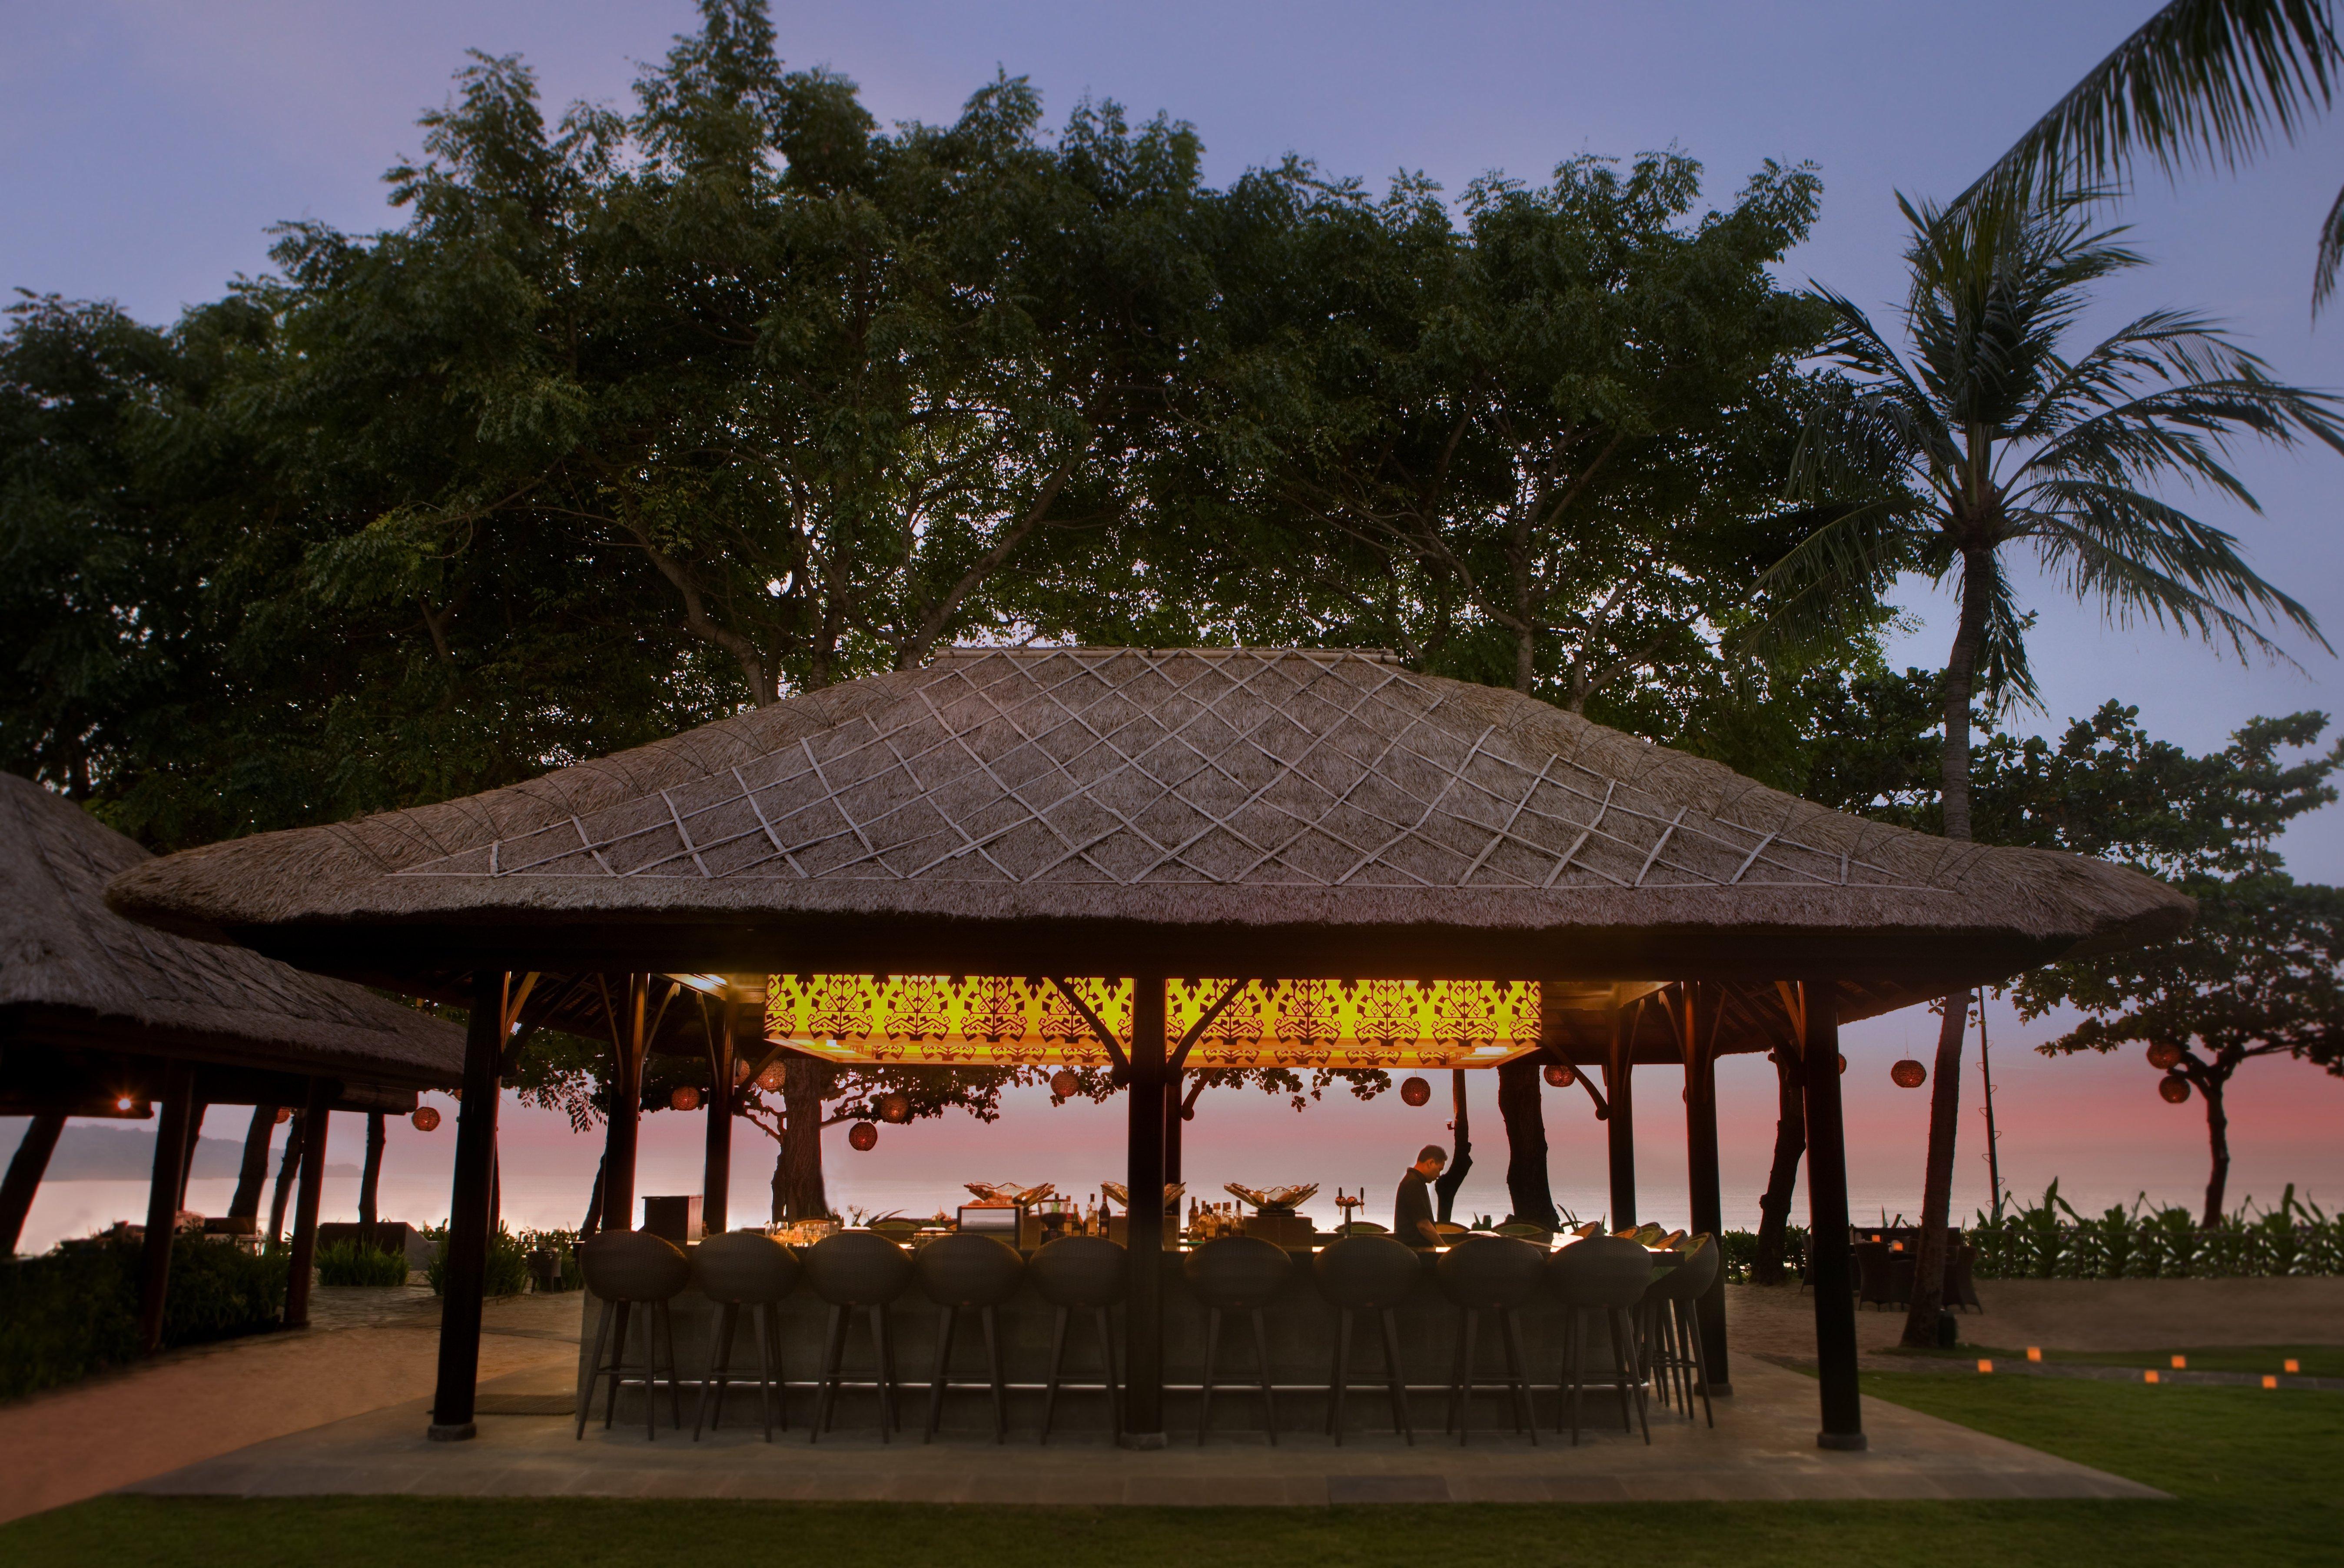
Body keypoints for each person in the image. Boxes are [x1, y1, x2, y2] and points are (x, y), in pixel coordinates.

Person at [1394, 1144, 1446, 1247]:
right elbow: (1423, 1225)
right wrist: (1445, 1248)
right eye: (1439, 1170)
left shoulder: (1415, 1181)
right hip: (1416, 1252)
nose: (1439, 1176)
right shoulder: (1414, 1184)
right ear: (1431, 1163)